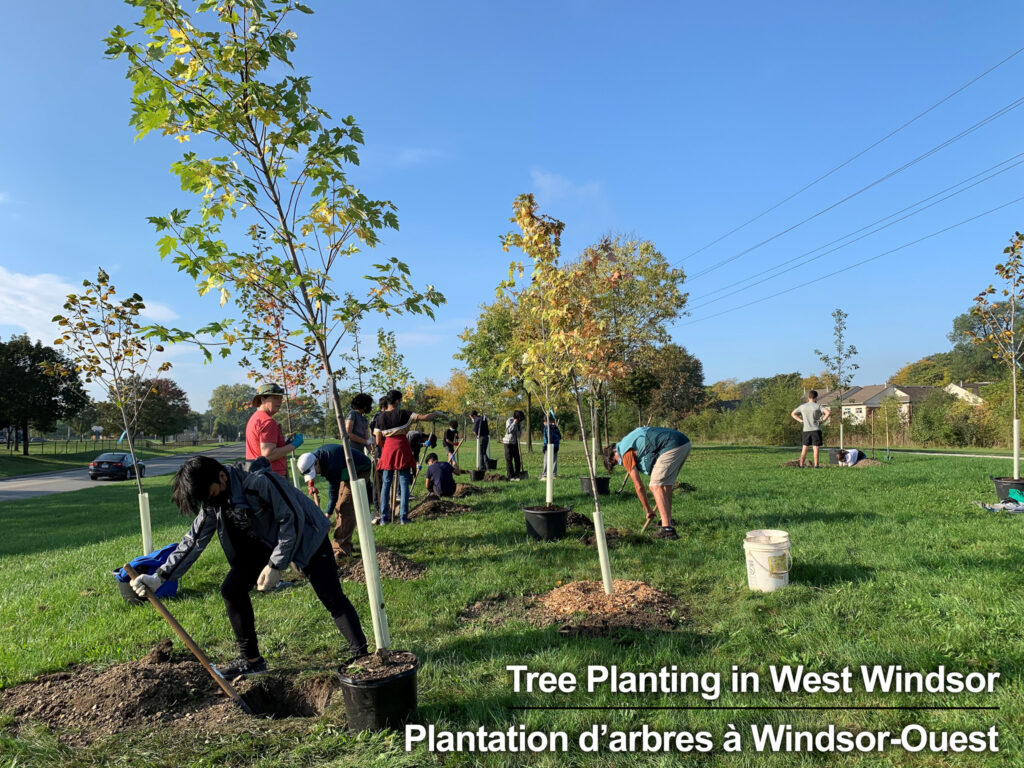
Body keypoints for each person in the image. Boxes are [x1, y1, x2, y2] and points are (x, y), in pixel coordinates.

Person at [129, 456, 368, 677]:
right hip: (264, 542)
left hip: (307, 536)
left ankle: (363, 657)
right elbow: (194, 540)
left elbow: (292, 519)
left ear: (221, 477)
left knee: (331, 597)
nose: (210, 502)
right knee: (232, 589)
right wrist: (160, 577)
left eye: (210, 494)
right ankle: (251, 660)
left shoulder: (259, 482)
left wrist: (276, 565)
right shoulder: (213, 501)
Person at [602, 427, 692, 541]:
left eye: (615, 462)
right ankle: (667, 521)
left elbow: (638, 486)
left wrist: (648, 510)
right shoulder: (628, 442)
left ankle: (667, 529)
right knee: (666, 484)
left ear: (614, 452)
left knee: (655, 485)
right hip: (684, 443)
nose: (620, 463)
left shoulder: (624, 452)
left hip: (672, 444)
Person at [374, 390, 445, 524]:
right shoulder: (404, 413)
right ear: (396, 401)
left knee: (386, 483)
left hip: (388, 449)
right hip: (402, 448)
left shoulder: (380, 418)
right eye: (399, 400)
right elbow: (424, 417)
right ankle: (403, 517)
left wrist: (386, 446)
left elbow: (378, 440)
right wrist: (436, 414)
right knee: (404, 482)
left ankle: (383, 517)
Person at [297, 445, 372, 559]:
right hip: (345, 469)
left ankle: (340, 549)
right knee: (339, 507)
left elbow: (333, 495)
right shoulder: (313, 457)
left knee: (345, 508)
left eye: (314, 471)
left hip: (360, 469)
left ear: (317, 462)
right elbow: (311, 470)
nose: (315, 474)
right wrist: (310, 485)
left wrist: (325, 518)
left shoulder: (332, 466)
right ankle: (346, 543)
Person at [245, 382, 303, 477]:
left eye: (281, 398)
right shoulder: (267, 421)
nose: (280, 401)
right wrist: (293, 445)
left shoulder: (255, 418)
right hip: (271, 477)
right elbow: (268, 455)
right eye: (275, 398)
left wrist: (284, 445)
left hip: (256, 474)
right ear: (263, 399)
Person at [791, 390, 831, 468]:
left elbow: (793, 414)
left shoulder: (802, 406)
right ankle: (816, 465)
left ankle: (801, 464)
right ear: (816, 397)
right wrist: (822, 420)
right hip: (816, 430)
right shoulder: (818, 406)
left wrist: (801, 421)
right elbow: (828, 412)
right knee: (815, 448)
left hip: (806, 430)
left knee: (804, 448)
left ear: (808, 397)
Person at [502, 410, 525, 481]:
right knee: (509, 459)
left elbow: (520, 431)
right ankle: (510, 476)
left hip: (516, 443)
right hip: (508, 442)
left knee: (517, 459)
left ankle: (517, 474)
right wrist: (514, 423)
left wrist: (519, 433)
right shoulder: (509, 420)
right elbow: (508, 430)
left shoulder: (519, 422)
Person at [539, 412, 561, 480]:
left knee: (546, 460)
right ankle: (553, 474)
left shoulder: (546, 427)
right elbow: (559, 436)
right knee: (554, 461)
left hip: (548, 446)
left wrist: (544, 447)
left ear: (545, 421)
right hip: (556, 446)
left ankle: (545, 474)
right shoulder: (555, 427)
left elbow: (547, 438)